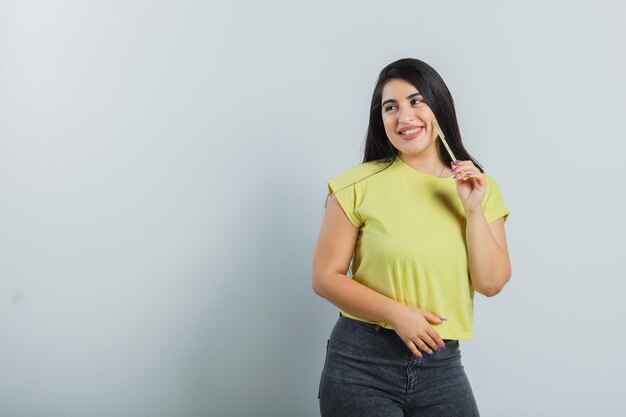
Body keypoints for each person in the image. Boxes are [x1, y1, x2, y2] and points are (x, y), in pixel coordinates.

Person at [311, 58, 511, 417]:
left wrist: (474, 211)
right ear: (381, 119)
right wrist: (397, 314)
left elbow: (491, 283)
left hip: (442, 365)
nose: (404, 117)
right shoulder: (356, 185)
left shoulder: (480, 187)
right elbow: (325, 277)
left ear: (439, 106)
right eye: (391, 107)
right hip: (361, 364)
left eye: (416, 101)